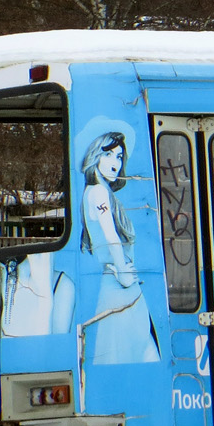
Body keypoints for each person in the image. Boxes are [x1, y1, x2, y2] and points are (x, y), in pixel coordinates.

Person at [80, 131, 159, 364]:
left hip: (120, 288)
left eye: (120, 156)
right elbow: (110, 236)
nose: (116, 162)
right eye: (108, 154)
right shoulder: (98, 192)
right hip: (119, 287)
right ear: (96, 156)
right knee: (135, 356)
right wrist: (124, 273)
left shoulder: (96, 193)